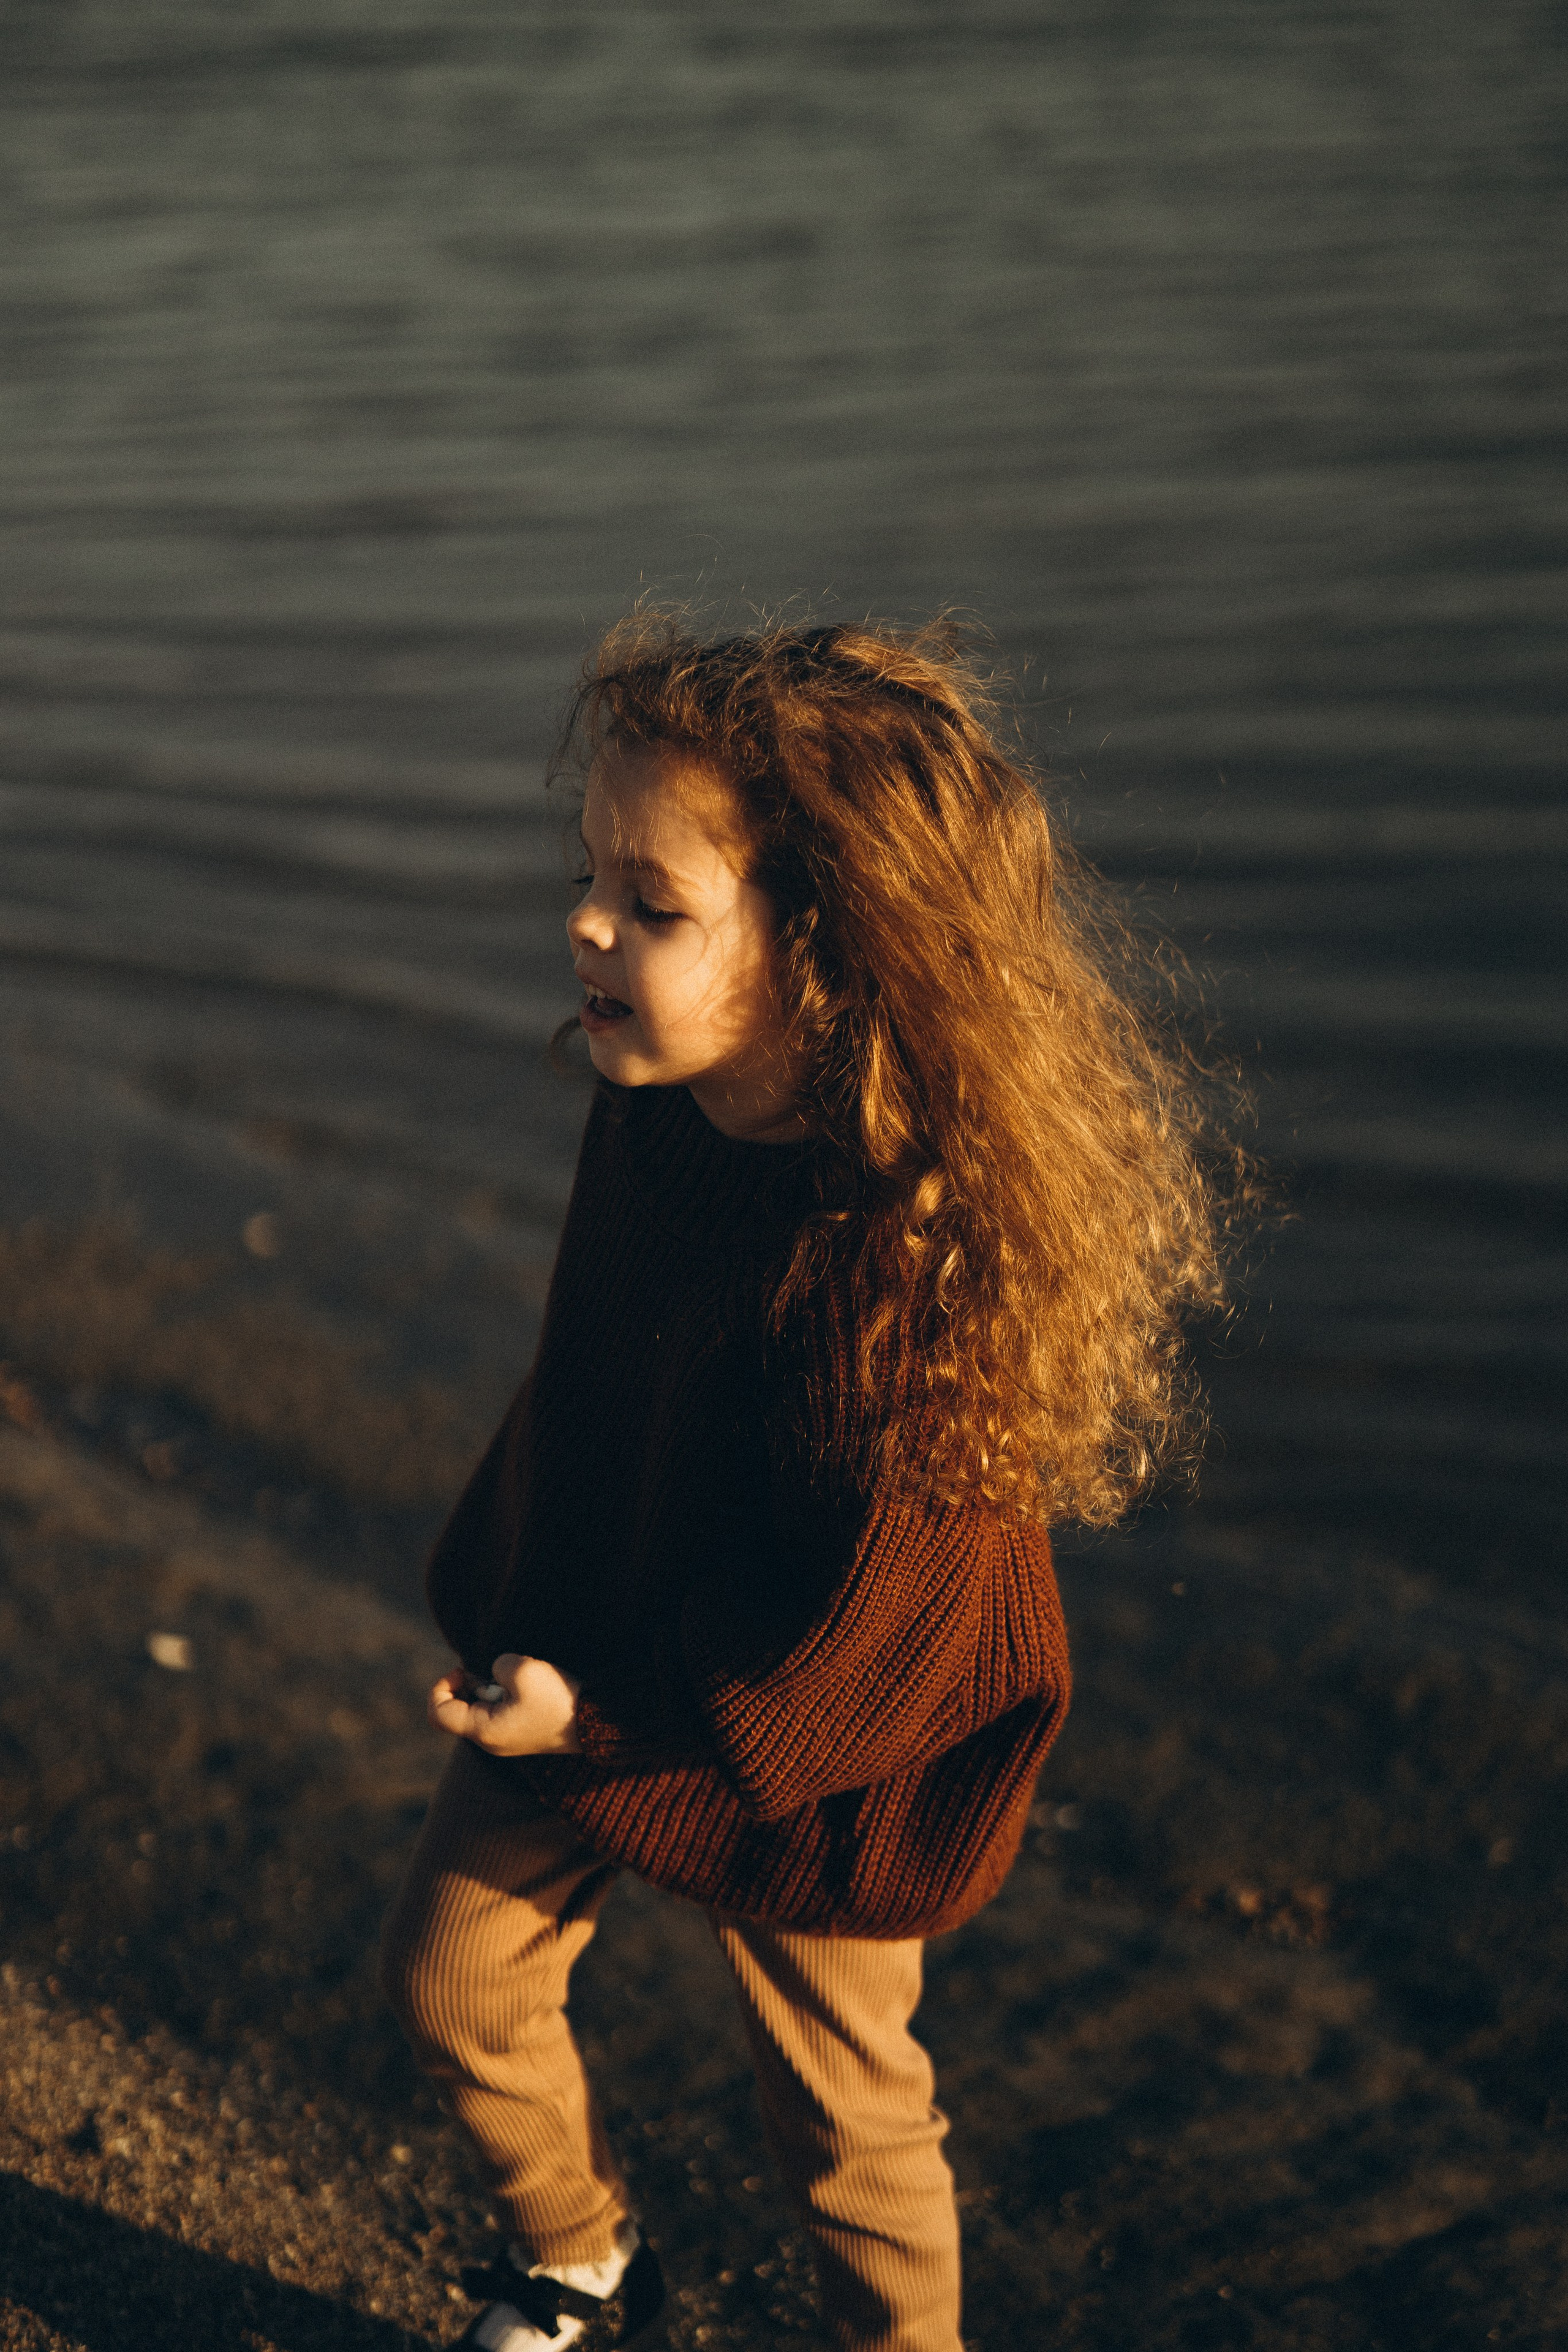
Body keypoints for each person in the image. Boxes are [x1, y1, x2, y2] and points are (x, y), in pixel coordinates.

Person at [380, 614, 1231, 2352]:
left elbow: (866, 1635)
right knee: (455, 1983)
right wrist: (547, 1630)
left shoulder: (893, 1268)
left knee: (847, 2129)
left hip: (831, 1728)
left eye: (656, 903)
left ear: (827, 948)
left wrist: (603, 1716)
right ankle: (578, 2257)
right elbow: (610, 1394)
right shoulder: (653, 1093)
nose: (588, 924)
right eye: (593, 874)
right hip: (591, 1640)